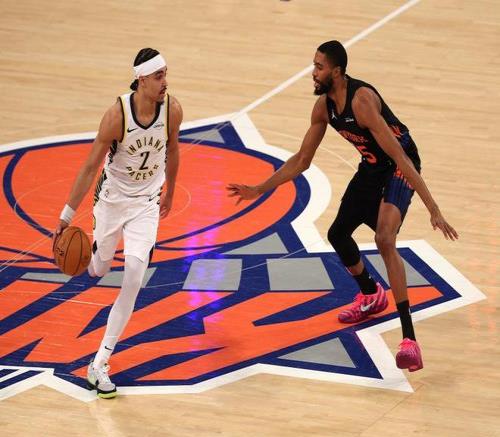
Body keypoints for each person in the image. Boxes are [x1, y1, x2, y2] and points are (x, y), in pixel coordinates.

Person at [227, 40, 458, 372]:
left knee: (384, 239)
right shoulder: (324, 107)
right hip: (371, 166)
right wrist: (259, 189)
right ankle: (371, 294)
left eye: (319, 67)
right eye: (314, 65)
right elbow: (302, 160)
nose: (313, 72)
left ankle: (409, 340)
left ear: (336, 72)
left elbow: (400, 157)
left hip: (397, 166)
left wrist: (433, 208)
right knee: (338, 234)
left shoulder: (361, 102)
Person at [54, 48, 183, 398]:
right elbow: (89, 167)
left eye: (166, 74)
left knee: (135, 277)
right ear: (140, 79)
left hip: (146, 202)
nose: (165, 82)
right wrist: (66, 215)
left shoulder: (172, 109)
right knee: (99, 268)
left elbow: (173, 150)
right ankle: (93, 254)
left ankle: (100, 363)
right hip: (112, 199)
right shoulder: (116, 116)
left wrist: (170, 192)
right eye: (158, 76)